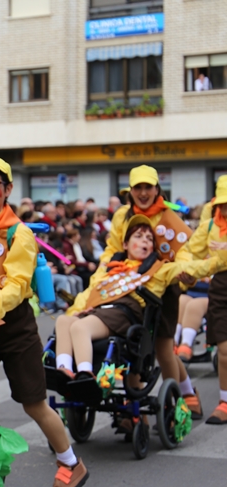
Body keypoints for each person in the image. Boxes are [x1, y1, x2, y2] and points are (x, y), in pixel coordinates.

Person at [0, 156, 89, 487]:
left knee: (34, 403)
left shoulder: (20, 234)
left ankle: (71, 462)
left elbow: (17, 285)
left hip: (15, 326)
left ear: (7, 189)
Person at [55, 215, 226, 385]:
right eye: (138, 236)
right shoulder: (110, 269)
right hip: (98, 311)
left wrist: (221, 259)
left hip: (124, 315)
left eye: (149, 239)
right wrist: (75, 310)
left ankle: (85, 376)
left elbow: (194, 267)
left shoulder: (160, 269)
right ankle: (63, 370)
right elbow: (89, 293)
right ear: (125, 244)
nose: (145, 241)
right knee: (64, 320)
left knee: (79, 327)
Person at [99, 165, 203, 418]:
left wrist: (185, 272)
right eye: (138, 188)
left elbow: (185, 252)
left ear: (157, 189)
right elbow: (111, 249)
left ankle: (184, 397)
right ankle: (135, 414)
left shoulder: (170, 218)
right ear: (130, 191)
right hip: (126, 286)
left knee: (163, 348)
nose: (143, 193)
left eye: (148, 187)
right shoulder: (122, 216)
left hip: (162, 289)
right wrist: (101, 276)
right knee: (133, 348)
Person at [183, 178, 227, 424]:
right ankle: (225, 402)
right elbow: (190, 251)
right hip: (220, 289)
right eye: (224, 204)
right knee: (224, 351)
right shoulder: (209, 225)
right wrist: (184, 271)